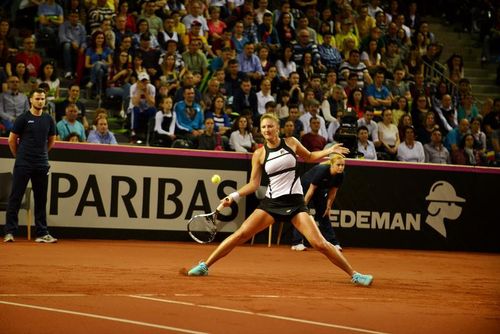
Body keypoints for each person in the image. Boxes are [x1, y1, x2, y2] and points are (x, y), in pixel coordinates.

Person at [186, 113, 373, 286]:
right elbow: (253, 184)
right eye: (264, 127)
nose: (267, 130)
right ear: (261, 130)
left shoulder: (291, 142)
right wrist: (233, 196)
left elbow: (308, 157)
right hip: (271, 204)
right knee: (240, 235)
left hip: (296, 203)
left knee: (320, 244)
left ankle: (355, 275)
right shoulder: (259, 154)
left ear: (277, 128)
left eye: (270, 126)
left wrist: (328, 151)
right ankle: (205, 265)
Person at [3, 88, 57, 243]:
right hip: (23, 164)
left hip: (41, 165)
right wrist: (19, 156)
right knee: (16, 198)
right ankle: (9, 232)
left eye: (42, 99)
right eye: (37, 99)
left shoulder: (48, 120)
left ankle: (41, 233)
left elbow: (52, 140)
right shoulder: (23, 118)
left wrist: (42, 154)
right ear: (31, 101)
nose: (40, 101)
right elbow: (11, 140)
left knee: (41, 200)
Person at [291, 154, 346, 251]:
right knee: (301, 214)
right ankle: (297, 243)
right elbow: (311, 190)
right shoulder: (322, 170)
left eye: (342, 165)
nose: (341, 167)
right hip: (305, 188)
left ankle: (334, 243)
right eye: (338, 165)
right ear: (332, 164)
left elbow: (333, 192)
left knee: (324, 214)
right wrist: (303, 206)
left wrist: (328, 207)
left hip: (319, 190)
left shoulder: (340, 175)